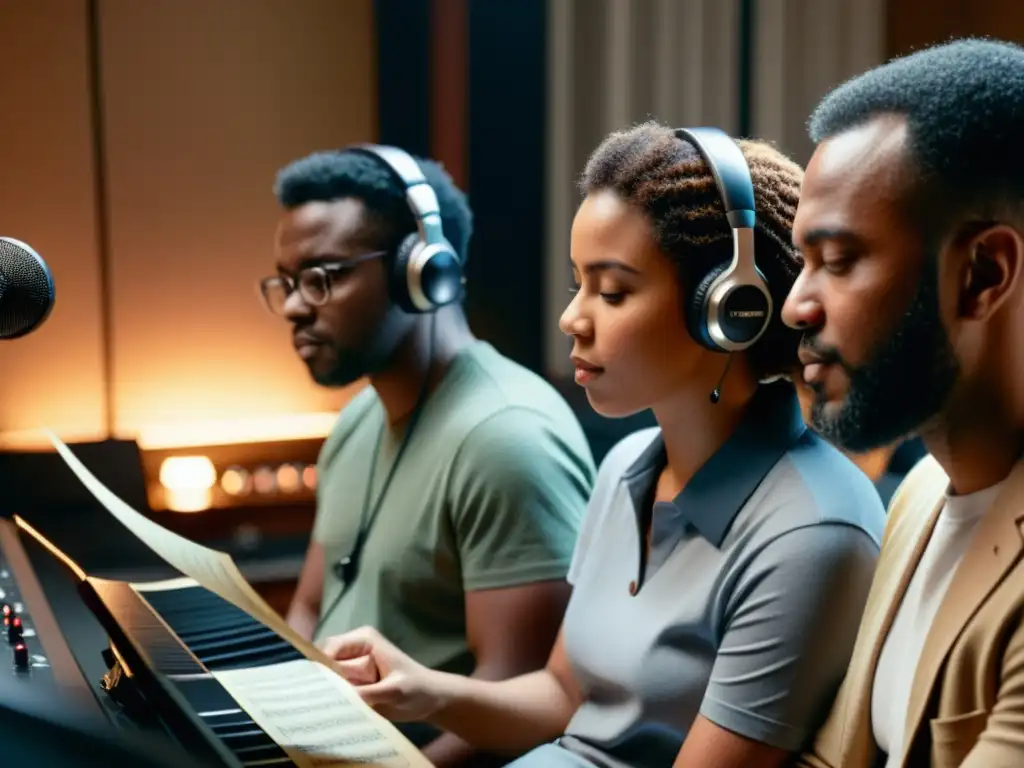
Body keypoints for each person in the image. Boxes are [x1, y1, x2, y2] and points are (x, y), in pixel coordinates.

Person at [318, 122, 886, 768]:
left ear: (729, 309)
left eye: (612, 290)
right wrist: (423, 690)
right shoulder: (625, 468)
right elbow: (564, 695)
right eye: (577, 283)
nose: (572, 318)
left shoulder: (811, 531)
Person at [264, 145, 596, 765]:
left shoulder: (507, 440)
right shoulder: (358, 421)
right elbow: (310, 603)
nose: (293, 306)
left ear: (421, 272)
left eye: (321, 277)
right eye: (285, 282)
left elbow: (520, 704)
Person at [784, 38, 1024, 768]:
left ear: (982, 274)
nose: (796, 304)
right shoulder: (917, 495)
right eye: (802, 262)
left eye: (838, 260)